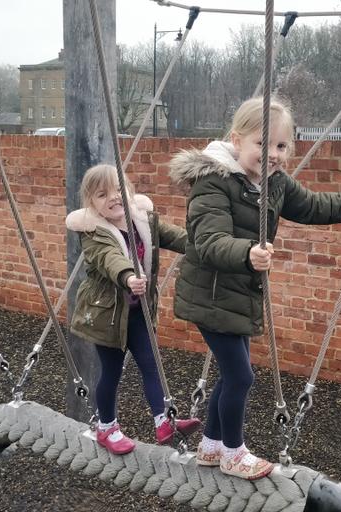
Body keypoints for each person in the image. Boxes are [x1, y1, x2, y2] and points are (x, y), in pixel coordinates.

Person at [168, 97, 341, 479]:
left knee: (230, 374)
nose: (273, 154)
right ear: (237, 140)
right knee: (241, 376)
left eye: (281, 146)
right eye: (263, 144)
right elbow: (207, 241)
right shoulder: (213, 183)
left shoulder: (274, 183)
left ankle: (211, 445)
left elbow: (314, 206)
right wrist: (247, 253)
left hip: (237, 296)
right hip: (211, 295)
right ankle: (234, 453)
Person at [66, 164, 201, 455]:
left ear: (129, 190)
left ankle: (164, 421)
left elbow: (174, 236)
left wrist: (203, 247)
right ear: (92, 204)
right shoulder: (94, 232)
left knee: (151, 364)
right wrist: (128, 276)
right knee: (111, 372)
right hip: (108, 315)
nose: (113, 198)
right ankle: (107, 427)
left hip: (137, 311)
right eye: (103, 195)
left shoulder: (142, 220)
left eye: (118, 190)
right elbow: (109, 258)